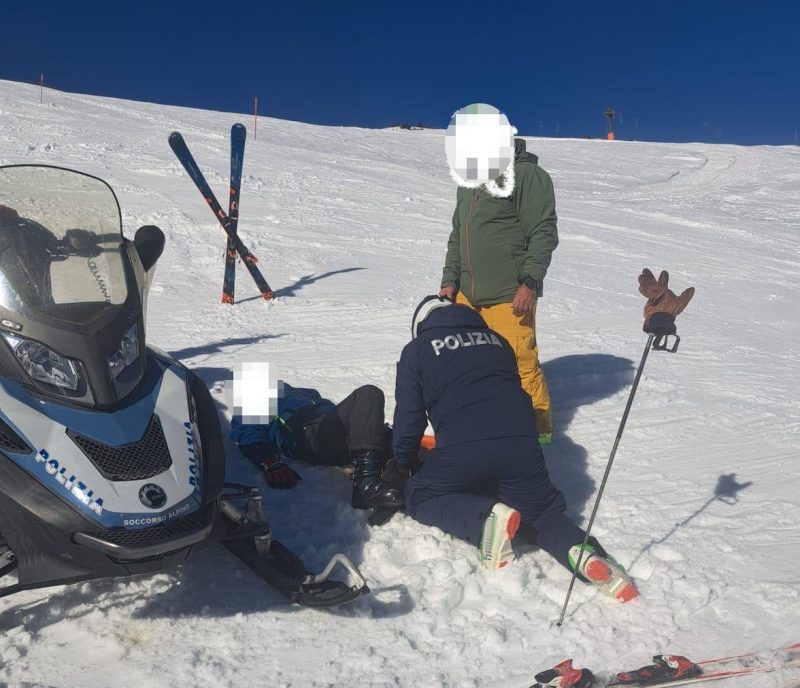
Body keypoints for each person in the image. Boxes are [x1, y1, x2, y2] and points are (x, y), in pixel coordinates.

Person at [392, 296, 638, 602]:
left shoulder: (417, 350)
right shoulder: (498, 341)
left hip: (464, 450)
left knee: (420, 495)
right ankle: (583, 553)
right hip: (521, 448)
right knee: (542, 513)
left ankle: (485, 521)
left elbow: (408, 420)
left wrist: (404, 461)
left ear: (423, 326)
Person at [440, 120, 558, 444]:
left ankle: (538, 439)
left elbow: (543, 232)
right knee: (465, 364)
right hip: (466, 295)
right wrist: (450, 279)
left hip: (511, 292)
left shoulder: (528, 175)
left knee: (520, 363)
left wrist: (530, 282)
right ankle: (476, 429)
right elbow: (457, 236)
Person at [231, 383, 405, 511]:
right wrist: (269, 461)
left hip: (332, 427)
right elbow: (247, 433)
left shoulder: (302, 391)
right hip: (307, 436)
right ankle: (365, 485)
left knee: (378, 417)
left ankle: (415, 466)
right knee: (368, 393)